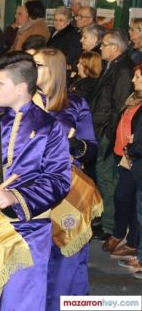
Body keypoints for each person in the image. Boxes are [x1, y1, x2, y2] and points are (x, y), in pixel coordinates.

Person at [0, 51, 71, 311]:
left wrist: (16, 197)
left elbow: (59, 180)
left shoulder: (50, 128)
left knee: (20, 301)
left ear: (20, 87)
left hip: (28, 231)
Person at [31, 48, 97, 310]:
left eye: (37, 65)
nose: (31, 68)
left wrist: (71, 145)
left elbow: (90, 149)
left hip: (66, 190)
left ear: (53, 70)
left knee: (65, 259)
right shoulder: (22, 100)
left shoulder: (76, 104)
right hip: (30, 189)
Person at [90, 29, 134, 241]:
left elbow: (118, 106)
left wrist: (109, 133)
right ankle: (105, 222)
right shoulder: (113, 66)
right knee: (102, 176)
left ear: (115, 48)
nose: (100, 47)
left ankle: (109, 227)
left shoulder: (123, 70)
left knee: (107, 178)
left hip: (109, 131)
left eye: (104, 44)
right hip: (101, 128)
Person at [102, 65, 142, 260]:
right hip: (122, 154)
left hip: (134, 157)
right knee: (127, 198)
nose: (133, 80)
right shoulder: (133, 98)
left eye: (137, 77)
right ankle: (127, 238)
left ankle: (129, 240)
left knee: (127, 198)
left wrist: (133, 147)